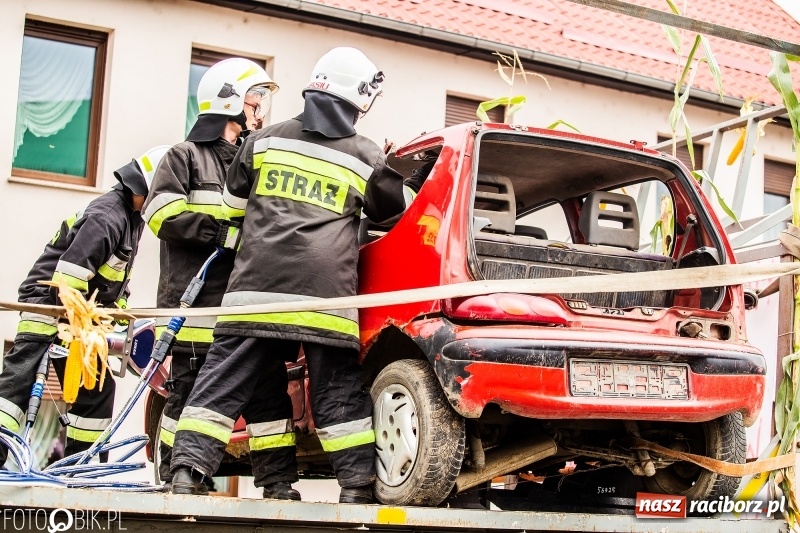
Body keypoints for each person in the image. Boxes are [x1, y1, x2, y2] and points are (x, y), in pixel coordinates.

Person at [169, 47, 428, 503]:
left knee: (221, 383)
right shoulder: (366, 156)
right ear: (358, 99)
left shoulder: (262, 142)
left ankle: (187, 475)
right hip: (325, 302)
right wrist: (405, 175)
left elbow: (232, 208)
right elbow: (392, 214)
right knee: (338, 391)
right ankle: (356, 489)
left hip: (254, 294)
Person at [141, 57, 278, 486]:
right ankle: (173, 475)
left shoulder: (251, 160)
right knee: (186, 396)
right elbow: (160, 214)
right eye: (255, 98)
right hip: (195, 307)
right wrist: (217, 232)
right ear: (229, 100)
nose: (259, 109)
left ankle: (277, 483)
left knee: (266, 398)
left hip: (240, 307)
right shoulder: (183, 157)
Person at [0, 145, 169, 465]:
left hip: (77, 317)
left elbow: (113, 282)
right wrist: (88, 328)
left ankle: (80, 467)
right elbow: (69, 279)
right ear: (151, 187)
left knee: (97, 388)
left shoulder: (131, 219)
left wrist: (117, 315)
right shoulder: (107, 217)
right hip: (50, 308)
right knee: (17, 386)